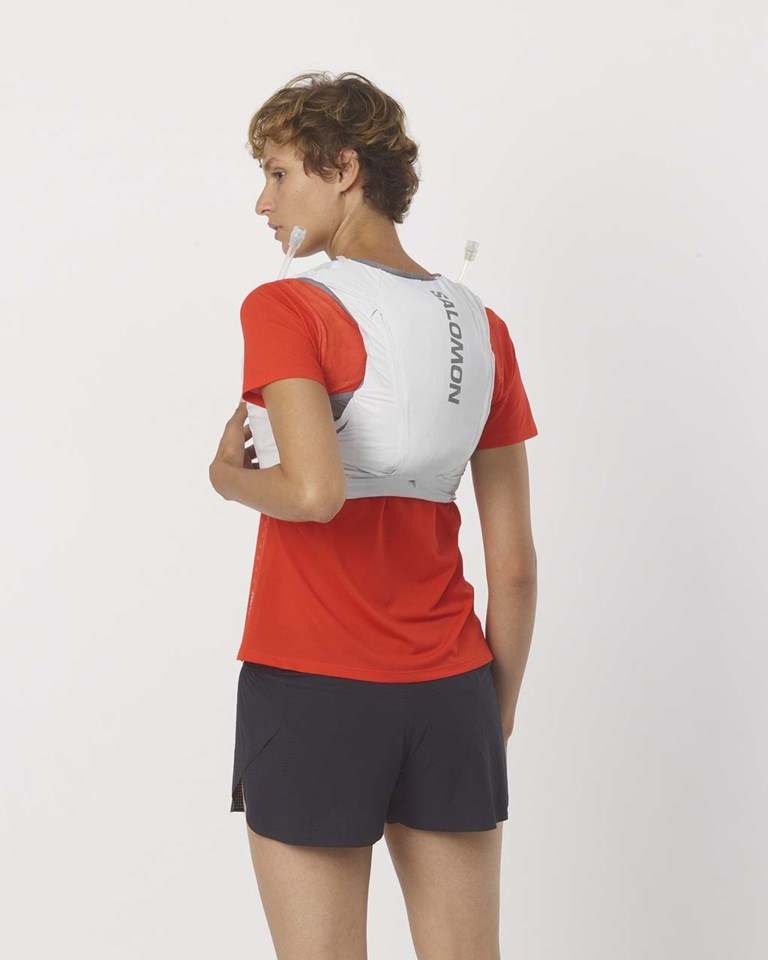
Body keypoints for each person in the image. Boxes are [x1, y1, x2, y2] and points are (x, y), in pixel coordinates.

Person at [209, 70, 538, 960]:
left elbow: (315, 494)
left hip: (313, 682)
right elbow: (514, 566)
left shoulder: (288, 305)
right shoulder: (483, 327)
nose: (263, 203)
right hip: (453, 688)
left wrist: (226, 478)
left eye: (279, 174)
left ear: (343, 168)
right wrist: (492, 713)